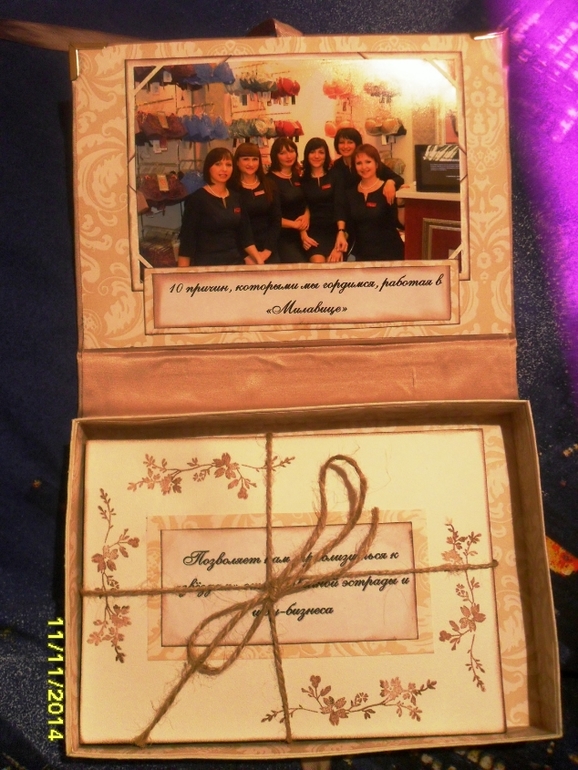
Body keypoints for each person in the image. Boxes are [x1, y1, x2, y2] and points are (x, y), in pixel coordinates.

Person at [178, 147, 258, 266]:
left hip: (235, 263)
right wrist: (182, 273)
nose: (224, 169)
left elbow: (245, 235)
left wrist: (258, 260)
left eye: (228, 164)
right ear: (208, 167)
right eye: (218, 164)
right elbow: (187, 241)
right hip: (207, 266)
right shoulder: (197, 199)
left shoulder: (237, 197)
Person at [345, 144, 404, 261]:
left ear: (376, 164)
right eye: (359, 163)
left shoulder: (388, 189)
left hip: (389, 254)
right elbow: (349, 226)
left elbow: (401, 223)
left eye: (368, 162)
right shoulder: (350, 193)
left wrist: (401, 204)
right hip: (361, 255)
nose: (364, 167)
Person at [231, 143, 281, 264]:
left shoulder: (269, 185)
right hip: (241, 251)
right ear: (237, 162)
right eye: (245, 159)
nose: (251, 164)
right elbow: (232, 227)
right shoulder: (231, 188)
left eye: (255, 159)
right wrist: (245, 255)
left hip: (268, 248)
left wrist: (267, 251)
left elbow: (276, 220)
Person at [300, 137, 348, 263]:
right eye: (312, 152)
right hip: (313, 233)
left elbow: (340, 205)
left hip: (335, 231)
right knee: (318, 265)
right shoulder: (302, 180)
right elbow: (300, 209)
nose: (316, 156)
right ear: (306, 155)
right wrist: (303, 235)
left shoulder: (336, 175)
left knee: (334, 266)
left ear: (326, 155)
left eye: (321, 152)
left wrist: (341, 233)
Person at [332, 126, 404, 205]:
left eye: (350, 142)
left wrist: (390, 182)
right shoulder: (336, 166)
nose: (345, 146)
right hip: (346, 208)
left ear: (357, 144)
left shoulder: (369, 163)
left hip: (371, 206)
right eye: (341, 142)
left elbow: (398, 179)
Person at [266, 137, 308, 263]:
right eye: (282, 153)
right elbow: (270, 215)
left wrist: (306, 216)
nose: (288, 156)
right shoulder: (268, 181)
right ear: (275, 156)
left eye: (291, 151)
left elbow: (306, 202)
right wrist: (295, 225)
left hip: (303, 232)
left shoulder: (297, 176)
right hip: (282, 237)